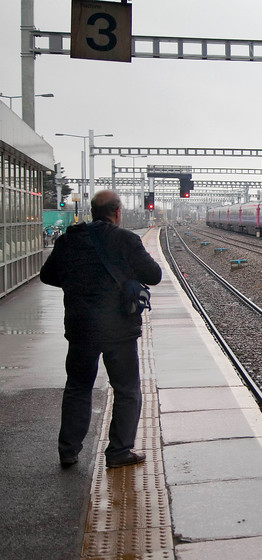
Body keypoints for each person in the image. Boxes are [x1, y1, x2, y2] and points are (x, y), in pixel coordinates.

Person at [40, 190, 162, 468]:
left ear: (93, 211)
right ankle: (119, 452)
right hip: (118, 329)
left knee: (78, 387)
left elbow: (47, 276)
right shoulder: (126, 240)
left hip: (80, 326)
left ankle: (68, 451)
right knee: (127, 389)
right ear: (117, 212)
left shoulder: (68, 240)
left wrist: (76, 283)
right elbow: (154, 275)